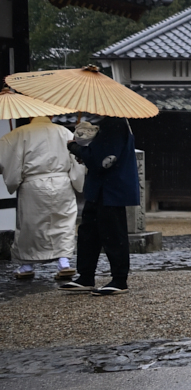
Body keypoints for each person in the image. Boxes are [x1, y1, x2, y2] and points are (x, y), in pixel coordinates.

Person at [62, 114, 140, 295]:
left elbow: (103, 159)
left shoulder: (114, 124)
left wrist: (75, 148)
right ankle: (85, 275)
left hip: (111, 188)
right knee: (89, 232)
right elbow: (99, 155)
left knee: (112, 233)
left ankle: (119, 279)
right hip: (100, 187)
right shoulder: (110, 123)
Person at [0, 115, 80, 281]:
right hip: (62, 182)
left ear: (29, 115)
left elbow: (7, 157)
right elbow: (77, 158)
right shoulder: (64, 132)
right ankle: (64, 262)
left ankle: (26, 265)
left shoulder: (20, 133)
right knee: (63, 222)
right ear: (50, 115)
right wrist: (76, 180)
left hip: (33, 184)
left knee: (30, 225)